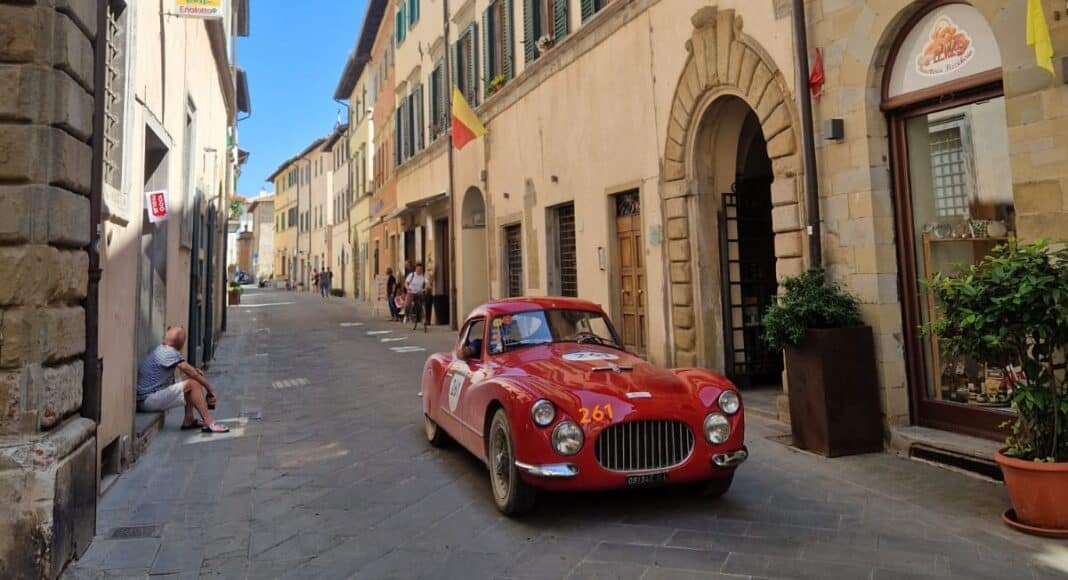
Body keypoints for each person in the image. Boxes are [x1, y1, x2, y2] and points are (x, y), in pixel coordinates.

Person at [136, 326, 229, 433]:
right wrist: (210, 389)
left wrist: (194, 372)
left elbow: (190, 371)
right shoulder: (169, 353)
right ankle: (209, 423)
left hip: (149, 397)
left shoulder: (163, 349)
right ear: (181, 343)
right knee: (192, 383)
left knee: (191, 380)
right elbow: (186, 369)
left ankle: (188, 420)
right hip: (147, 400)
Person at [404, 262, 429, 327]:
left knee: (422, 304)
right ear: (416, 269)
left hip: (419, 292)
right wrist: (408, 287)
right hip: (411, 292)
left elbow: (427, 283)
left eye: (421, 269)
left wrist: (426, 288)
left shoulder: (423, 276)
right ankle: (406, 316)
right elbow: (406, 283)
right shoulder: (412, 275)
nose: (419, 270)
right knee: (407, 304)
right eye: (418, 269)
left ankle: (422, 318)